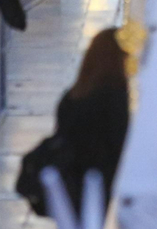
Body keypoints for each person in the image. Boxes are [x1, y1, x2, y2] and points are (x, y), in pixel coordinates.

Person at [48, 28, 130, 213]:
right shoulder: (115, 97)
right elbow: (120, 140)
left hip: (72, 183)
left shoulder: (71, 96)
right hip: (104, 184)